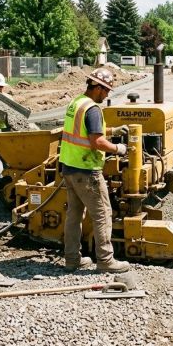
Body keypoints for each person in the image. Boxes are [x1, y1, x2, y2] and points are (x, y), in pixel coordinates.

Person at [59, 67, 131, 273]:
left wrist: (112, 130)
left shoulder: (76, 103)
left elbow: (85, 130)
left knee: (74, 216)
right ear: (98, 87)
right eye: (106, 90)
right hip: (87, 171)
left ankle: (72, 259)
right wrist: (118, 148)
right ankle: (106, 260)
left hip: (69, 168)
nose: (107, 94)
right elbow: (96, 141)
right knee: (102, 214)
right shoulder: (92, 109)